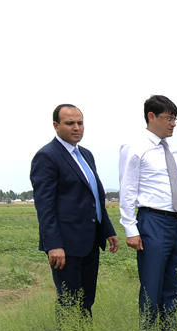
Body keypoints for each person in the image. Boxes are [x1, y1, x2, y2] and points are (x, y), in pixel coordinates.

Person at [119, 95, 177, 331]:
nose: (173, 124)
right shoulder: (135, 148)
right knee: (152, 285)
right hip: (153, 221)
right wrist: (130, 228)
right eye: (168, 118)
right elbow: (128, 189)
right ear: (151, 116)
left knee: (174, 285)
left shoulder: (175, 152)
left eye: (175, 118)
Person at [30, 104, 119, 316]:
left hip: (89, 241)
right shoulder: (47, 156)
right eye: (70, 123)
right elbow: (45, 207)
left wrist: (107, 230)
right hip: (65, 245)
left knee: (87, 299)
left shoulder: (86, 155)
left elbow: (94, 196)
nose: (77, 127)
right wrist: (54, 245)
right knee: (69, 300)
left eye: (80, 123)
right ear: (56, 125)